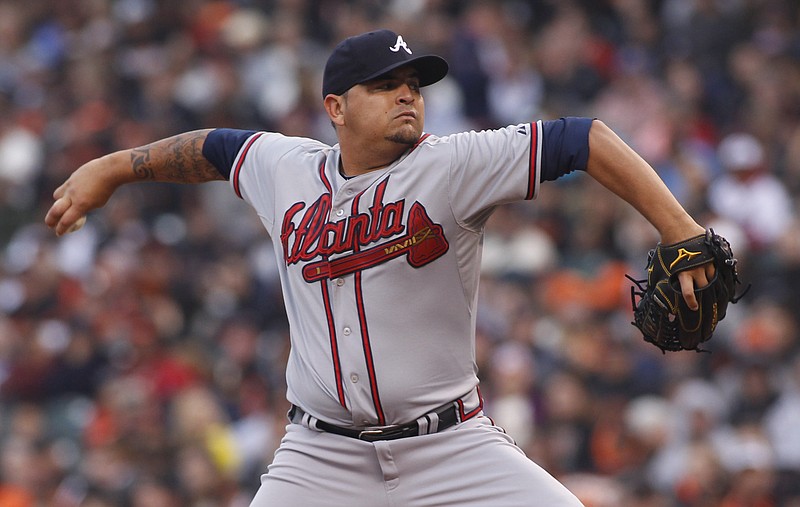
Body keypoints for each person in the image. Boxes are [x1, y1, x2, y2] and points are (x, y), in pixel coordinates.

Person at [46, 29, 714, 507]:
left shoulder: (453, 165)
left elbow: (584, 138)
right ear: (335, 107)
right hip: (320, 455)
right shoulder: (285, 167)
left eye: (413, 86)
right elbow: (213, 149)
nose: (408, 96)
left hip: (451, 447)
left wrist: (679, 227)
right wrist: (110, 169)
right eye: (386, 85)